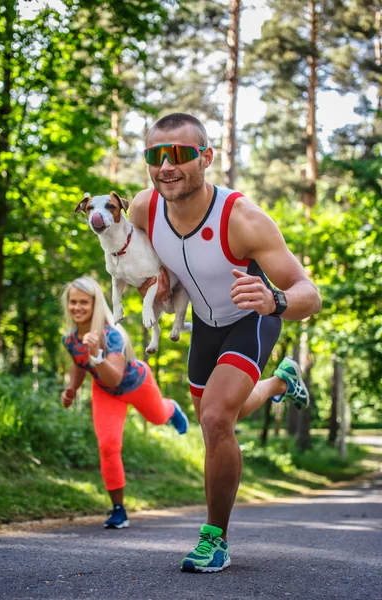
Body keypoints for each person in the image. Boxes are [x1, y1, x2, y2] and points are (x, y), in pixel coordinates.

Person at [129, 113, 322, 572]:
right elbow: (137, 258)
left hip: (252, 318)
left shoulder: (242, 218)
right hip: (203, 323)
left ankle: (214, 538)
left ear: (207, 158)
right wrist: (148, 285)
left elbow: (308, 294)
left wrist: (274, 301)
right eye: (156, 155)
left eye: (179, 154)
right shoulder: (143, 208)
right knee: (216, 416)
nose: (166, 166)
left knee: (216, 418)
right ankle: (278, 383)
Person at [60, 275, 189, 529]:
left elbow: (115, 376)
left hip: (137, 383)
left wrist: (96, 353)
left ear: (95, 304)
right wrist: (72, 389)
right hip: (106, 392)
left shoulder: (112, 336)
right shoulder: (70, 339)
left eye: (83, 302)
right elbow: (79, 362)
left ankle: (171, 407)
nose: (77, 307)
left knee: (158, 418)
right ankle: (118, 508)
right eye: (73, 302)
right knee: (108, 446)